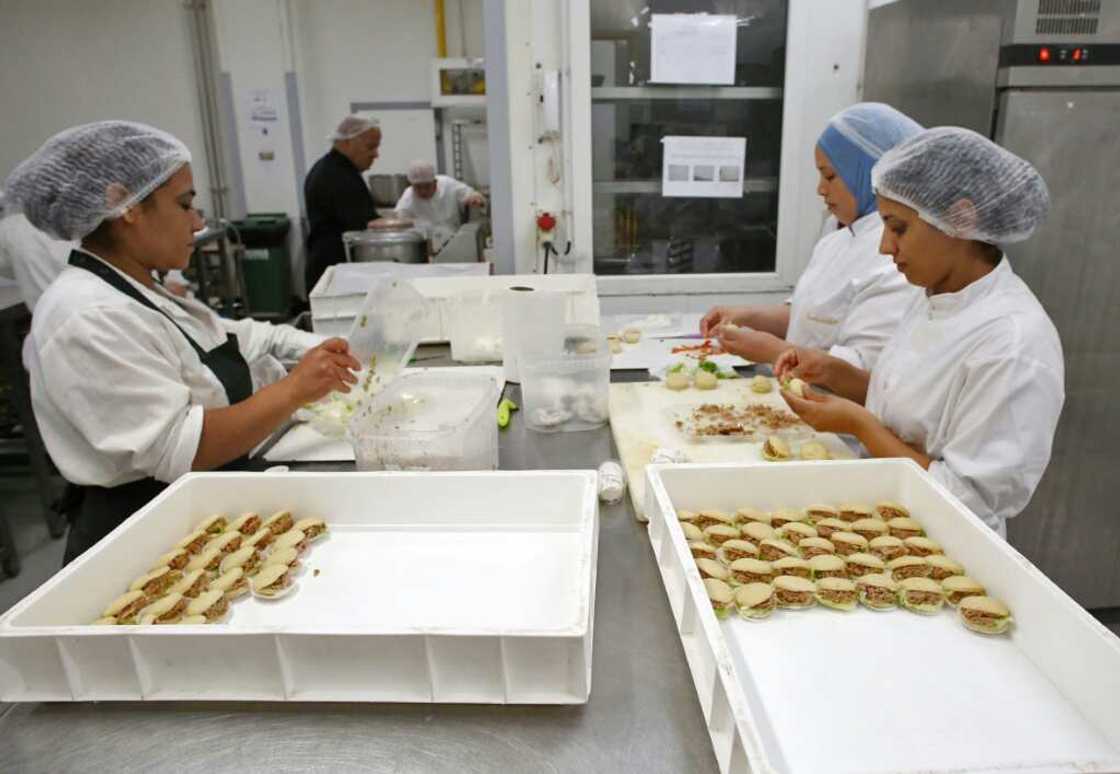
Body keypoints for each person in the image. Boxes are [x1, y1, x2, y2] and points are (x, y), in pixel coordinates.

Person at [4, 121, 360, 563]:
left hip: (198, 505)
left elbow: (238, 336)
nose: (197, 221)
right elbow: (181, 447)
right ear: (125, 205)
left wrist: (321, 347)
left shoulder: (139, 288)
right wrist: (294, 389)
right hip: (143, 532)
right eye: (184, 204)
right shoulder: (88, 316)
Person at [774, 127, 1063, 538]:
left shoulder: (1012, 342)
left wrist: (860, 426)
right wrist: (830, 372)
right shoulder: (932, 294)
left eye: (898, 228)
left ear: (960, 218)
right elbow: (910, 406)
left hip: (947, 547)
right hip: (888, 519)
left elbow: (967, 500)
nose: (885, 248)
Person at [701, 103, 924, 369]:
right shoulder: (838, 236)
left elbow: (865, 369)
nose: (820, 189)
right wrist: (746, 316)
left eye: (830, 176)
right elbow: (808, 320)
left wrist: (774, 352)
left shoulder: (898, 254)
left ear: (869, 172)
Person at [304, 114, 382, 291]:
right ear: (348, 143)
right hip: (335, 275)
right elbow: (367, 225)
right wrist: (404, 223)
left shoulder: (333, 168)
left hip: (333, 270)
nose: (376, 154)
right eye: (371, 147)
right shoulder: (337, 176)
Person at [394, 160, 485, 246]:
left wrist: (475, 197)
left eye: (427, 186)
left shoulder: (448, 184)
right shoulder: (407, 198)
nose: (423, 191)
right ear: (411, 185)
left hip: (455, 242)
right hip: (425, 247)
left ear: (435, 182)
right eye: (418, 187)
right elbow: (400, 223)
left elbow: (470, 194)